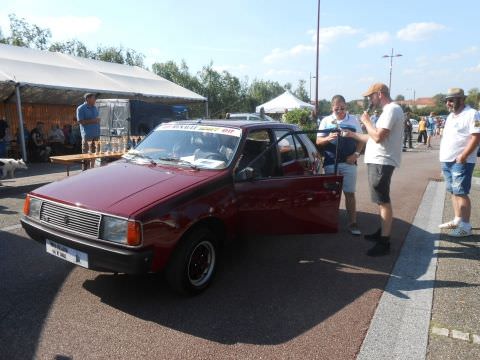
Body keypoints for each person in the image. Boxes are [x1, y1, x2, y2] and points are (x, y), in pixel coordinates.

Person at [345, 83, 404, 256]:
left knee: (383, 199)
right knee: (380, 199)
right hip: (379, 160)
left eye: (371, 96)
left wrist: (367, 121)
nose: (370, 100)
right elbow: (371, 137)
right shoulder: (389, 111)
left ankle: (384, 241)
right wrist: (352, 134)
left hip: (382, 161)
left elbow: (377, 137)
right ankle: (382, 232)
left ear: (380, 94)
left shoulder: (391, 110)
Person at [317, 95, 365, 235]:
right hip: (331, 163)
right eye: (337, 108)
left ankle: (353, 223)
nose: (340, 111)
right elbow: (318, 141)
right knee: (331, 194)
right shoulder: (326, 121)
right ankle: (329, 222)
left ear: (346, 106)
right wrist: (328, 138)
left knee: (349, 193)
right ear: (332, 108)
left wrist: (356, 155)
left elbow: (361, 140)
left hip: (349, 163)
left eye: (342, 108)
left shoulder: (353, 120)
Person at [438, 87, 480, 237]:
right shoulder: (451, 116)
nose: (448, 103)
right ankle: (457, 219)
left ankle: (466, 226)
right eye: (446, 100)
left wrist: (463, 156)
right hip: (447, 160)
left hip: (461, 161)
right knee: (453, 191)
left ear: (462, 99)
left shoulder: (473, 114)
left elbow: (476, 137)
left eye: (451, 100)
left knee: (461, 192)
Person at [76, 93, 101, 169]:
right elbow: (80, 121)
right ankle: (85, 170)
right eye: (93, 98)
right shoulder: (81, 108)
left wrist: (97, 121)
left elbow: (97, 119)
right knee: (86, 153)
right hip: (87, 135)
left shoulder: (95, 108)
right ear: (88, 99)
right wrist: (93, 120)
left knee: (94, 152)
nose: (95, 100)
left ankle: (92, 168)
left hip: (96, 134)